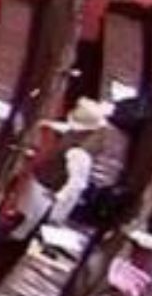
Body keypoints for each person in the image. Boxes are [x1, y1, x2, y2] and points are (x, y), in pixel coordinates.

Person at [10, 97, 111, 238]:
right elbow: (69, 129)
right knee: (27, 210)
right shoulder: (88, 131)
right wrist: (50, 124)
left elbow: (77, 182)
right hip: (45, 181)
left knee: (30, 218)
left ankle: (17, 238)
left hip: (48, 189)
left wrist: (59, 196)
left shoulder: (78, 153)